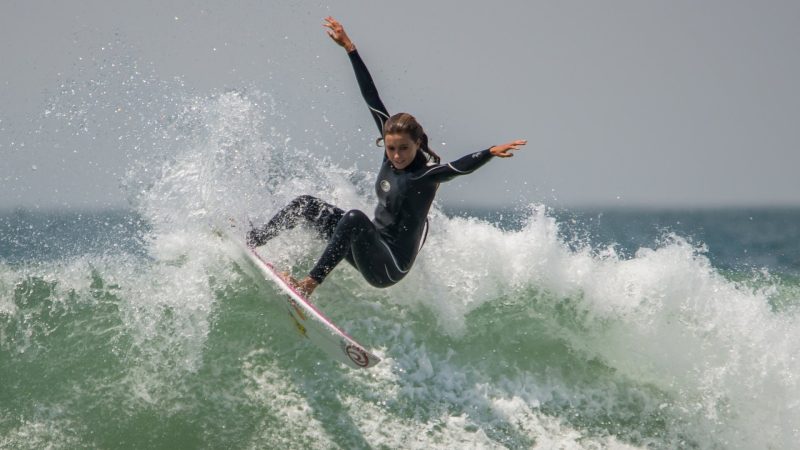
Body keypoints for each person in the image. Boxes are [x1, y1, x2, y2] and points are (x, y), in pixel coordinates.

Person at [247, 16, 526, 297]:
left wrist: (489, 152)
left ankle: (307, 286)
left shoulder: (424, 176)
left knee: (354, 218)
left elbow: (458, 167)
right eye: (391, 148)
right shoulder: (389, 155)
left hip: (389, 266)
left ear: (417, 143)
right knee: (306, 205)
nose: (396, 155)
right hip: (370, 247)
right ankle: (255, 240)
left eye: (403, 148)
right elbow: (372, 97)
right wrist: (350, 49)